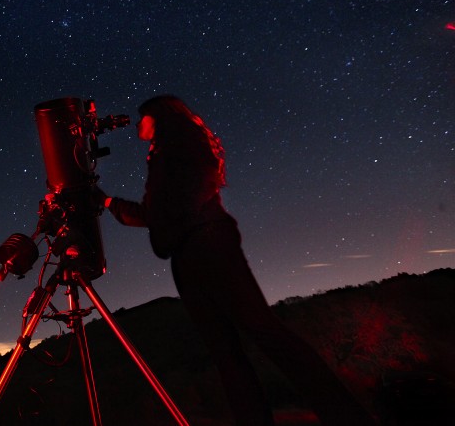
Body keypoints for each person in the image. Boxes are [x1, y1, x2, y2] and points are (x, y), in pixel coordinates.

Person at [97, 95, 376, 426]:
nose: (137, 125)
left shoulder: (179, 148)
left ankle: (347, 415)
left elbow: (161, 211)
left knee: (264, 333)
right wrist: (112, 203)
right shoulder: (171, 152)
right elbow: (159, 212)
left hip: (207, 248)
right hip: (193, 251)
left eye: (143, 119)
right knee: (226, 352)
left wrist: (115, 204)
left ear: (160, 117)